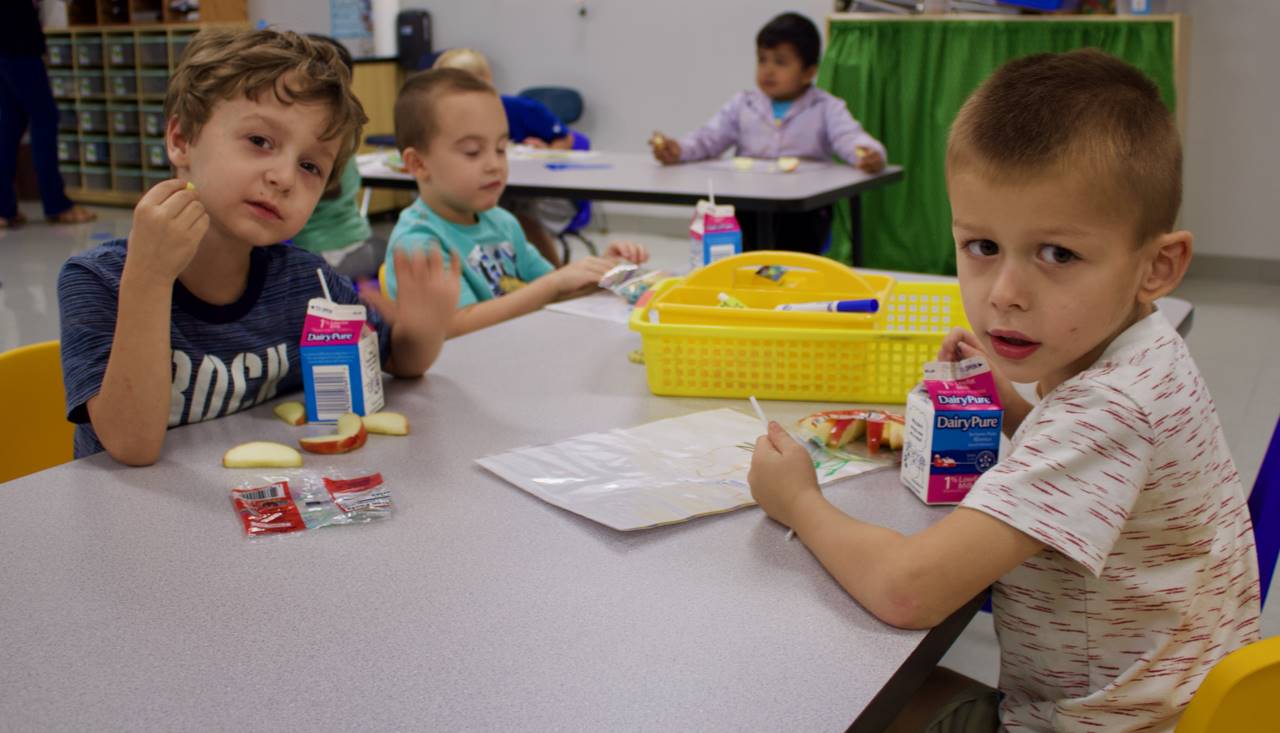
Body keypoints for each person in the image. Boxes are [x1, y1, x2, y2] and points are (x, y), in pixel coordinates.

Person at [748, 49, 1260, 731]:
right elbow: (1075, 446)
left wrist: (800, 501)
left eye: (1058, 254)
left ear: (1158, 264)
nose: (1005, 296)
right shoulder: (1138, 350)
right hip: (1165, 701)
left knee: (821, 698)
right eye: (982, 246)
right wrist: (1014, 403)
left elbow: (908, 590)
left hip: (1098, 725)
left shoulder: (1112, 411)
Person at [57, 28, 459, 465]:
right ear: (181, 139)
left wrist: (422, 329)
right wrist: (149, 279)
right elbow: (131, 446)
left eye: (310, 166)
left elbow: (398, 361)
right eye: (259, 141)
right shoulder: (97, 280)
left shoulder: (310, 282)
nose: (284, 178)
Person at [383, 68, 646, 338]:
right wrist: (552, 284)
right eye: (473, 152)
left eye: (500, 148)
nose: (494, 165)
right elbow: (452, 329)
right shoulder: (420, 243)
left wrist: (601, 271)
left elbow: (554, 290)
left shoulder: (503, 222)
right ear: (418, 164)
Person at [650, 12, 885, 254]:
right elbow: (709, 137)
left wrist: (868, 153)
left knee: (795, 264)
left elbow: (849, 137)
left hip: (803, 213)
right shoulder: (743, 104)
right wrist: (678, 149)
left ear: (808, 72)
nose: (768, 70)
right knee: (749, 259)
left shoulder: (826, 107)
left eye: (780, 62)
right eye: (763, 60)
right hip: (749, 205)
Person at [431, 48, 574, 267]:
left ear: (485, 83)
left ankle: (552, 269)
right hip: (487, 193)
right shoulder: (443, 118)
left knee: (519, 218)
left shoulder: (522, 109)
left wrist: (544, 149)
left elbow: (566, 140)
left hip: (536, 195)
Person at [291, 34, 385, 279]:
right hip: (349, 241)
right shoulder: (343, 127)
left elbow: (331, 188)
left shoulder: (324, 133)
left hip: (327, 252)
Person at [0, 0, 95, 228]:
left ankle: (3, 207)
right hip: (16, 42)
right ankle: (56, 204)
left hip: (8, 42)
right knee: (44, 118)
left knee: (11, 122)